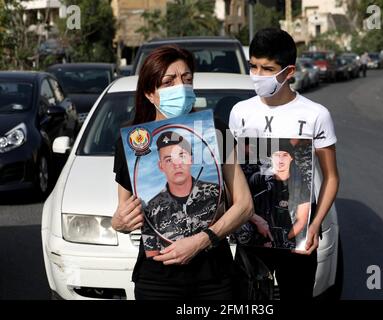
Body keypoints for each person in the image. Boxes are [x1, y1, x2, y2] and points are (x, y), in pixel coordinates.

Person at [112, 45, 253, 300]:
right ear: (149, 93)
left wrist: (202, 240)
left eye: (187, 79)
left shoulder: (216, 131)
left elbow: (244, 205)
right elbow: (122, 213)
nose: (181, 87)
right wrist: (119, 222)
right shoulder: (134, 141)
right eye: (169, 81)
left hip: (214, 278)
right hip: (157, 280)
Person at [229, 28, 339, 300]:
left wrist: (314, 225)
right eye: (253, 66)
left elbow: (332, 177)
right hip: (251, 231)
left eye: (267, 68)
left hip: (297, 232)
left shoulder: (316, 115)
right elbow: (232, 173)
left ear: (288, 71)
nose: (258, 74)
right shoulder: (240, 112)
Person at [143, 131, 221, 257]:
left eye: (181, 156)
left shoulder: (216, 193)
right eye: (169, 160)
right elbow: (152, 254)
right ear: (161, 166)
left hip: (214, 271)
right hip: (168, 273)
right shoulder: (151, 209)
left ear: (191, 159)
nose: (176, 164)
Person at [235, 139, 310, 250]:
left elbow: (302, 220)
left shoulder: (300, 184)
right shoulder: (258, 179)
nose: (280, 160)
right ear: (271, 158)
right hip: (256, 239)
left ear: (291, 158)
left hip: (286, 239)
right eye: (276, 155)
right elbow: (240, 204)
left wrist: (281, 240)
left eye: (285, 155)